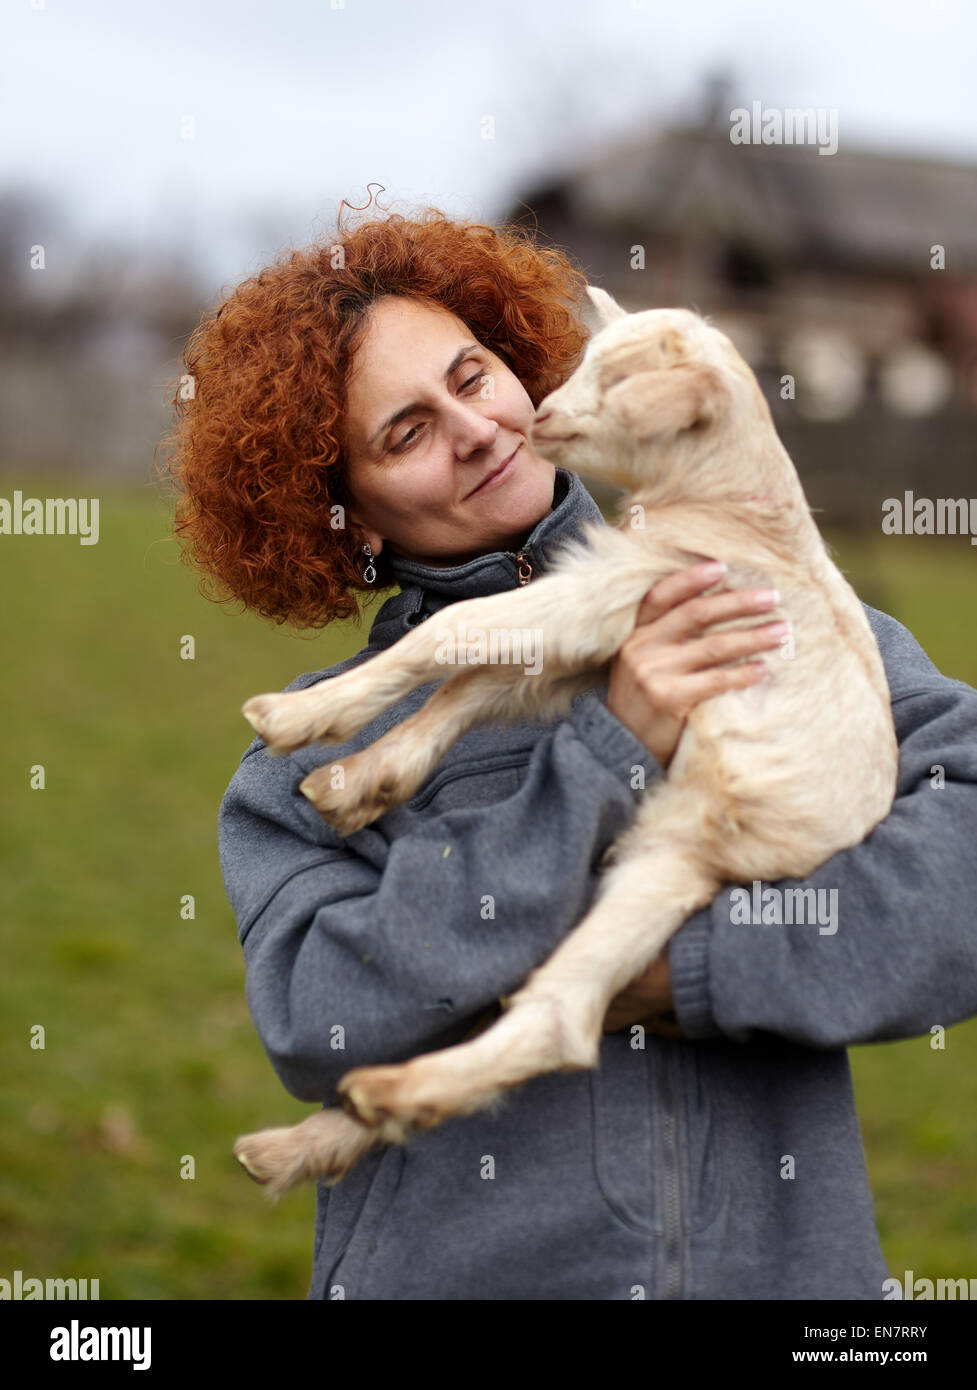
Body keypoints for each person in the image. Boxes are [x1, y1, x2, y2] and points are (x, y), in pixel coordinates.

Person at [161, 206, 977, 1300]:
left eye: (472, 372)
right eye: (403, 432)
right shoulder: (312, 754)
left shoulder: (782, 620)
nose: (473, 427)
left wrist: (686, 973)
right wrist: (605, 748)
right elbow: (321, 1016)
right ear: (342, 517)